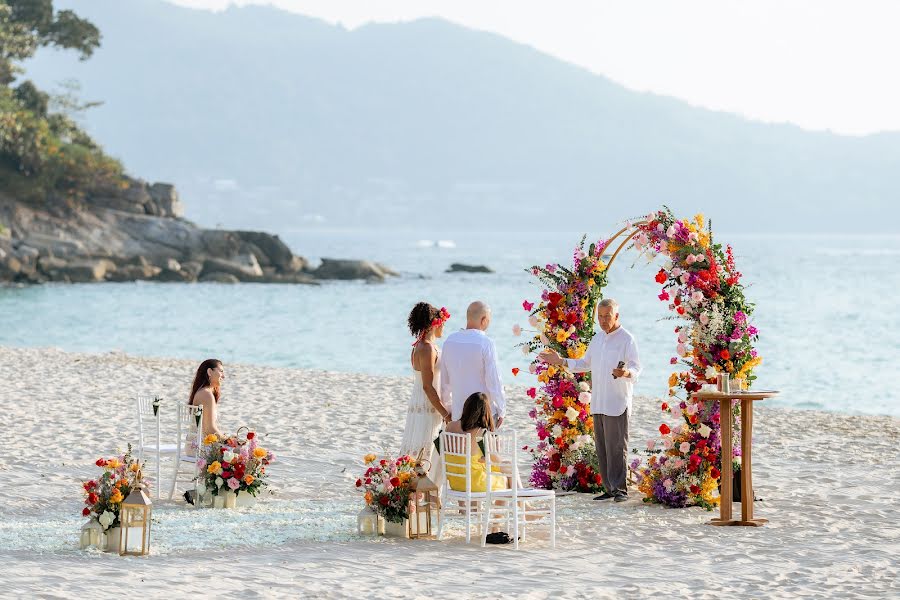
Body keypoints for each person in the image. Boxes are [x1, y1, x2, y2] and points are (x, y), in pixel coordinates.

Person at [540, 298, 641, 503]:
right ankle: (609, 488)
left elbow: (637, 368)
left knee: (617, 447)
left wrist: (625, 372)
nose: (603, 320)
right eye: (600, 316)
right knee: (602, 448)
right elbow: (585, 363)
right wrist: (561, 361)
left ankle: (620, 490)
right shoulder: (597, 338)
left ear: (616, 316)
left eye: (607, 316)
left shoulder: (627, 339)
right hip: (599, 401)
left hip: (617, 401)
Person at [399, 302, 451, 470]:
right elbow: (428, 386)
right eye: (443, 323)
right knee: (425, 448)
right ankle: (424, 492)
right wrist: (444, 412)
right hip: (428, 403)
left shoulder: (419, 346)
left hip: (422, 400)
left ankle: (422, 491)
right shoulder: (427, 348)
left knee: (422, 447)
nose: (444, 327)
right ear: (434, 323)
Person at [439, 301, 506, 426]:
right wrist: (502, 410)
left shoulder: (449, 341)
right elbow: (494, 380)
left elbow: (445, 383)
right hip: (483, 415)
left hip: (458, 414)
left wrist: (449, 411)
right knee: (497, 418)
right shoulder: (486, 342)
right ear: (484, 320)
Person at [444, 393, 507, 493]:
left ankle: (518, 504)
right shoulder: (480, 432)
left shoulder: (450, 426)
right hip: (474, 482)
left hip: (455, 481)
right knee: (505, 477)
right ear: (485, 412)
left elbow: (447, 453)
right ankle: (516, 504)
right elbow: (496, 459)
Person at [188, 358, 225, 440]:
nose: (223, 376)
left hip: (197, 443)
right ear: (210, 372)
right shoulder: (206, 394)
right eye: (221, 371)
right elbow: (209, 429)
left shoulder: (203, 391)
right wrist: (226, 440)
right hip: (200, 448)